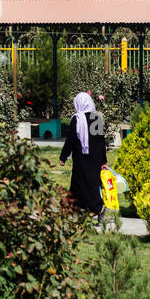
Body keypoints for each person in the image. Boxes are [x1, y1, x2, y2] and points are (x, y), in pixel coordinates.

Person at [59, 91, 109, 222]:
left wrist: (63, 157)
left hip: (81, 158)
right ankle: (76, 210)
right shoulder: (96, 118)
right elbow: (100, 141)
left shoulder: (77, 118)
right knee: (86, 183)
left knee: (82, 183)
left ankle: (99, 208)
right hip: (95, 158)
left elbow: (70, 140)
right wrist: (103, 160)